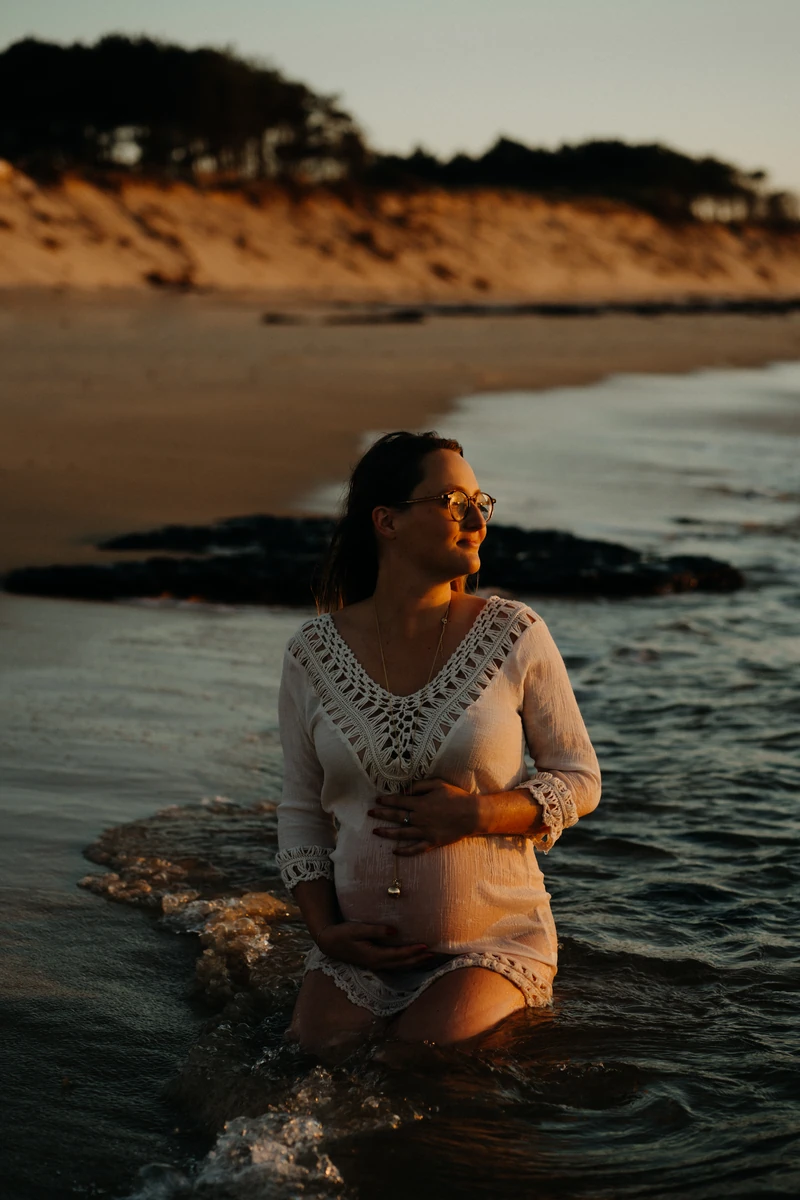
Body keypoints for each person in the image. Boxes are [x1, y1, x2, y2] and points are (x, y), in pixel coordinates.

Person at [275, 431, 601, 1056]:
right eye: (453, 501)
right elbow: (300, 810)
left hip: (491, 941)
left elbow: (580, 778)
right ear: (386, 522)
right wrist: (323, 931)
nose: (477, 520)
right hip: (359, 950)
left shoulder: (514, 633)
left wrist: (476, 813)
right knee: (310, 1053)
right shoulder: (311, 654)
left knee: (420, 1058)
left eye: (482, 502)